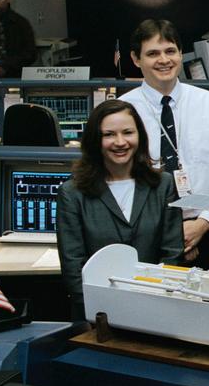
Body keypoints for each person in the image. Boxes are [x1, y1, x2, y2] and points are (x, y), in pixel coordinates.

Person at [124, 19, 209, 273]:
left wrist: (203, 223)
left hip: (207, 233)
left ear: (180, 53)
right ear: (136, 59)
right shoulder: (123, 111)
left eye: (170, 51)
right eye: (152, 54)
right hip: (144, 238)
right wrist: (166, 232)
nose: (163, 60)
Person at [57, 99, 184, 319]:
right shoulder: (73, 193)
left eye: (128, 132)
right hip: (98, 317)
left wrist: (151, 305)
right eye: (109, 134)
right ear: (95, 140)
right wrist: (105, 314)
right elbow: (73, 268)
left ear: (139, 136)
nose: (120, 142)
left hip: (154, 311)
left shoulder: (163, 185)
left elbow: (172, 254)